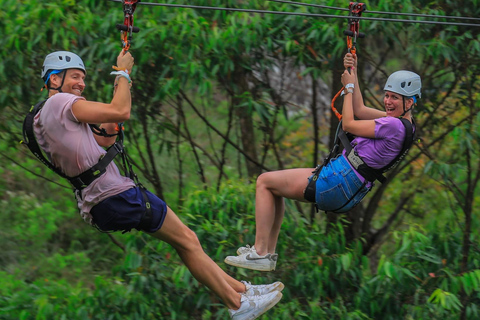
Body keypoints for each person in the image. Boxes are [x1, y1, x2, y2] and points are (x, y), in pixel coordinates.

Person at [32, 49, 284, 319]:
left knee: (186, 241)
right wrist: (124, 73)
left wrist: (120, 82)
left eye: (83, 77)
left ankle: (243, 292)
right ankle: (238, 304)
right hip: (114, 194)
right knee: (187, 240)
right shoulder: (61, 104)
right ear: (54, 80)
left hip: (101, 203)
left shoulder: (42, 116)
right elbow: (121, 110)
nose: (81, 83)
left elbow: (104, 138)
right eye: (75, 77)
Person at [224, 52, 421, 272]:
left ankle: (260, 251)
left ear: (409, 102)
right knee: (273, 188)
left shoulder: (392, 126)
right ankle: (266, 254)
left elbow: (348, 123)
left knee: (264, 182)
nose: (387, 101)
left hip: (338, 180)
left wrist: (348, 89)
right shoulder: (406, 127)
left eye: (394, 97)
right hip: (347, 185)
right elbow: (359, 110)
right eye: (386, 95)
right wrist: (352, 74)